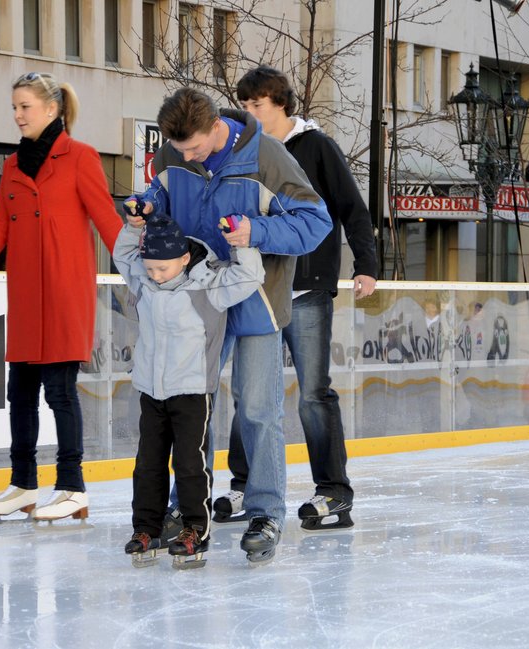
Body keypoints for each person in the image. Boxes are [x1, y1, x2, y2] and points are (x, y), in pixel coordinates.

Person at [124, 87, 332, 564]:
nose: (187, 156)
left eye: (195, 148)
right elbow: (161, 195)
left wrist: (256, 232)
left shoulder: (267, 156)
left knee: (258, 410)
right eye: (180, 151)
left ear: (217, 125)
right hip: (196, 303)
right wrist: (145, 206)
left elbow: (314, 221)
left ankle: (264, 511)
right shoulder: (172, 154)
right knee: (188, 408)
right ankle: (185, 507)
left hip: (255, 300)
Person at [0, 72, 122, 523]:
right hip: (26, 295)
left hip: (65, 292)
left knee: (60, 392)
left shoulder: (80, 157)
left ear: (51, 109)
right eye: (14, 107)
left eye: (24, 106)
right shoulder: (11, 166)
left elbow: (106, 218)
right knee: (20, 393)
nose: (17, 115)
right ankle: (23, 483)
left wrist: (141, 267)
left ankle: (72, 487)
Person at [214, 66, 377, 532]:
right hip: (257, 290)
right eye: (242, 106)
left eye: (257, 105)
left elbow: (351, 208)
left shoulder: (316, 147)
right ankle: (245, 484)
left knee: (311, 393)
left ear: (280, 104)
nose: (248, 114)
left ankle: (333, 491)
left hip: (305, 289)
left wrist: (365, 264)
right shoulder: (242, 151)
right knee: (249, 392)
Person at [113, 215, 264, 569]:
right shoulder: (144, 282)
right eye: (150, 268)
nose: (154, 275)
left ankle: (195, 531)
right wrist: (134, 226)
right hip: (151, 390)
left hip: (193, 391)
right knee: (147, 464)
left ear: (183, 259)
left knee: (190, 464)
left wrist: (241, 244)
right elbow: (123, 255)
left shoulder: (208, 285)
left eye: (162, 269)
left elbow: (250, 276)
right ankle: (147, 530)